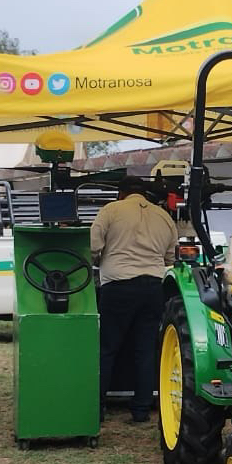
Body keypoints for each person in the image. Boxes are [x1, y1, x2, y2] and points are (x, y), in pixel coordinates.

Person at [91, 176, 178, 425]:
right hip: (152, 288)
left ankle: (97, 408)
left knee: (107, 349)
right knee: (146, 350)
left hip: (117, 286)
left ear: (121, 193)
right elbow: (170, 257)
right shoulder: (163, 216)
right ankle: (141, 411)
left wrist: (99, 260)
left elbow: (93, 245)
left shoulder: (111, 210)